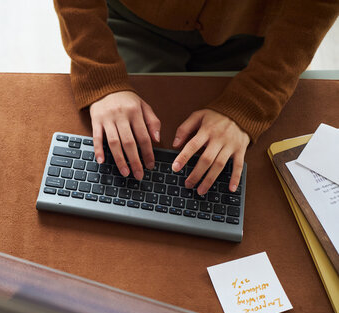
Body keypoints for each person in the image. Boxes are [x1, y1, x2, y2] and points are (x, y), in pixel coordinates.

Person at [53, 0, 338, 195]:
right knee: (130, 154)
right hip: (133, 20)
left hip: (253, 35)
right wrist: (102, 76)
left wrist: (251, 104)